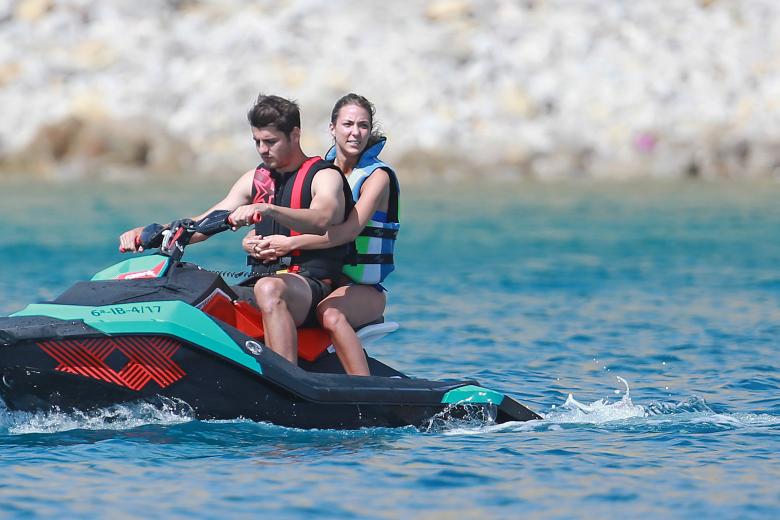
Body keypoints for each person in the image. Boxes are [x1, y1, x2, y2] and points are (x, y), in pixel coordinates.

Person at [119, 94, 352, 364]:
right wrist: (152, 234)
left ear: (295, 135)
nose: (263, 149)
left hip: (311, 288)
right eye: (257, 142)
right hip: (259, 285)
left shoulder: (324, 176)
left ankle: (286, 381)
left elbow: (322, 217)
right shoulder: (255, 179)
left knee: (269, 288)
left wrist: (268, 209)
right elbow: (202, 224)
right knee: (194, 290)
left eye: (270, 141)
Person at [243, 93, 400, 376]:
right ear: (332, 128)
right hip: (325, 279)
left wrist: (289, 244)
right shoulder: (322, 172)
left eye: (363, 125)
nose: (355, 133)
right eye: (348, 124)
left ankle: (362, 390)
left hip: (363, 289)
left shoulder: (378, 177)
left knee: (330, 314)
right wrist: (255, 241)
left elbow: (349, 231)